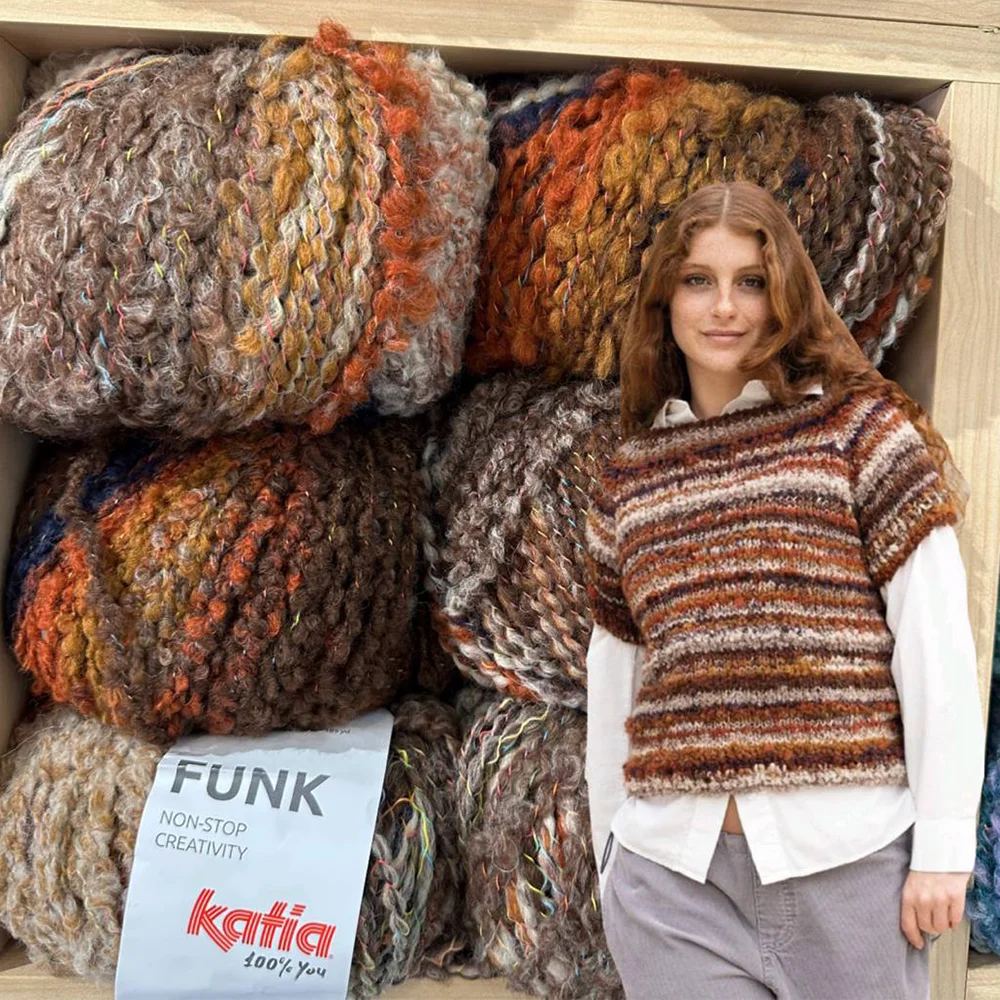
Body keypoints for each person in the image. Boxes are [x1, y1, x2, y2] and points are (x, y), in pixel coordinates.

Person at [584, 181, 984, 1000]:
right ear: (665, 300)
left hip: (849, 870)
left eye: (752, 281)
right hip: (671, 886)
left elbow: (936, 646)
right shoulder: (630, 479)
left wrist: (945, 848)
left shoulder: (860, 435)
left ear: (786, 295)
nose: (724, 307)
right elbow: (614, 679)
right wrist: (610, 856)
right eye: (698, 280)